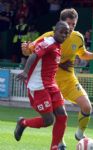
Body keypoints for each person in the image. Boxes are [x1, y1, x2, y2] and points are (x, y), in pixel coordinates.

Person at [21, 8, 93, 150]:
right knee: (59, 114)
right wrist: (25, 48)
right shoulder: (48, 36)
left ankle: (79, 135)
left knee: (87, 106)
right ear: (61, 23)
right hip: (50, 82)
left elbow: (82, 53)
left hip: (69, 80)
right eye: (69, 23)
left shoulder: (77, 37)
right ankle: (58, 143)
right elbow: (30, 51)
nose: (72, 27)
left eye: (74, 24)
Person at [14, 21, 70, 150]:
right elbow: (34, 56)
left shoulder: (57, 45)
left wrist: (61, 65)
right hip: (38, 86)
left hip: (51, 85)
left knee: (62, 115)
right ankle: (23, 123)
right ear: (55, 31)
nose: (64, 35)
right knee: (48, 120)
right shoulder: (48, 42)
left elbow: (47, 61)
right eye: (61, 32)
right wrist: (26, 72)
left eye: (66, 33)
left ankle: (54, 147)